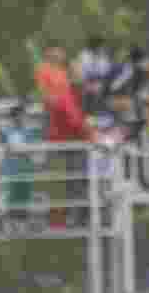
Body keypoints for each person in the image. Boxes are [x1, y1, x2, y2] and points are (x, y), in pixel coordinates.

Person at [43, 65, 121, 229]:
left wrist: (98, 134)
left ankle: (81, 215)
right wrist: (95, 135)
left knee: (83, 180)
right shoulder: (67, 97)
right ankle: (74, 217)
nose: (85, 86)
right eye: (81, 82)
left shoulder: (80, 96)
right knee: (76, 181)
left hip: (77, 145)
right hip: (66, 146)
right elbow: (75, 121)